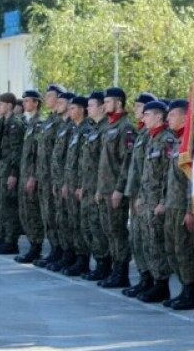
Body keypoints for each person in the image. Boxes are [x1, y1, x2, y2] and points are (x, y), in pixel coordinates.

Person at [95, 87, 136, 288]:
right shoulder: (109, 127)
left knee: (118, 232)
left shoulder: (125, 128)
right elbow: (104, 163)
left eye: (108, 101)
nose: (104, 105)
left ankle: (121, 273)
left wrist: (119, 189)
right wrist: (99, 189)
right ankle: (113, 270)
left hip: (115, 191)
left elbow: (126, 163)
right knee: (109, 231)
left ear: (118, 103)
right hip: (104, 189)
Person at [134, 100, 174, 302]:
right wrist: (140, 196)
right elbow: (145, 173)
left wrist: (163, 201)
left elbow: (168, 174)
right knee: (147, 242)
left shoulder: (167, 140)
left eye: (147, 115)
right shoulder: (151, 138)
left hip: (158, 201)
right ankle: (151, 281)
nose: (143, 118)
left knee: (157, 243)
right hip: (147, 200)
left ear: (159, 117)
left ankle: (161, 284)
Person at [163, 99, 194, 310]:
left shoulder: (190, 143)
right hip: (172, 204)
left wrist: (191, 209)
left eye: (172, 115)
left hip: (183, 207)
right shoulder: (177, 142)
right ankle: (183, 289)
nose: (168, 118)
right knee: (173, 250)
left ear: (186, 117)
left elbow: (192, 180)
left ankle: (189, 292)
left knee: (186, 251)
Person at [122, 92, 157, 296]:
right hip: (138, 193)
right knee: (138, 238)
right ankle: (145, 278)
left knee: (149, 240)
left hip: (148, 196)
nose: (138, 112)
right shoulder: (143, 134)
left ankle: (154, 281)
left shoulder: (157, 137)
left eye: (141, 109)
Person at [34, 84, 68, 268]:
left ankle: (62, 251)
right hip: (45, 176)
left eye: (50, 96)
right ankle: (55, 249)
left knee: (58, 216)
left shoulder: (62, 123)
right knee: (49, 215)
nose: (46, 99)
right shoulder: (50, 121)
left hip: (56, 178)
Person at [79, 92, 111, 281]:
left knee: (100, 227)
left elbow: (104, 163)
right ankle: (99, 263)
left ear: (101, 108)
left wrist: (100, 188)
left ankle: (105, 265)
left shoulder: (107, 129)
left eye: (91, 105)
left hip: (101, 187)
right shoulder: (93, 129)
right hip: (89, 185)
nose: (88, 109)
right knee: (91, 225)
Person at [61, 96, 93, 276]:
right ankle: (73, 256)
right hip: (70, 181)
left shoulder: (87, 130)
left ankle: (83, 259)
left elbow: (85, 162)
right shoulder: (74, 130)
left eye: (73, 108)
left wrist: (81, 184)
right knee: (71, 221)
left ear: (81, 110)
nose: (70, 111)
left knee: (82, 223)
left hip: (81, 183)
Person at [14, 90, 45, 263]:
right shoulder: (29, 124)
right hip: (24, 173)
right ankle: (32, 244)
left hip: (31, 175)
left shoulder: (39, 124)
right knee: (25, 211)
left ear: (36, 103)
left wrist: (33, 176)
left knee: (33, 212)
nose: (24, 104)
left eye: (28, 101)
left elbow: (37, 154)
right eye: (24, 101)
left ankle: (36, 247)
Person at [0, 92, 25, 255]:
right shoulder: (2, 123)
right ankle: (3, 236)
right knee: (0, 204)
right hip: (0, 168)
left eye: (2, 104)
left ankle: (11, 241)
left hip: (8, 170)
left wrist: (13, 173)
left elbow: (16, 151)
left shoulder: (14, 124)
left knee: (8, 206)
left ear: (10, 106)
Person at [48, 92, 77, 272]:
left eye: (61, 102)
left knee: (70, 220)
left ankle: (72, 256)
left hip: (70, 182)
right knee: (59, 218)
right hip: (57, 180)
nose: (57, 104)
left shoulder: (75, 128)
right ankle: (60, 252)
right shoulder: (63, 126)